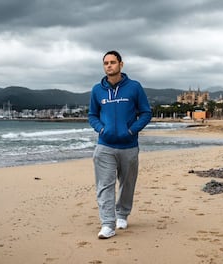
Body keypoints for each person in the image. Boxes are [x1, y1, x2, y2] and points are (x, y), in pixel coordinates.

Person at [88, 50, 152, 239]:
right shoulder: (97, 90)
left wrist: (131, 131)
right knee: (105, 185)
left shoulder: (134, 87)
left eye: (113, 62)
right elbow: (92, 115)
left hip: (129, 146)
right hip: (105, 146)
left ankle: (122, 214)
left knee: (127, 183)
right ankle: (108, 224)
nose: (109, 66)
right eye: (106, 63)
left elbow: (146, 113)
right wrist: (101, 129)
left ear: (121, 65)